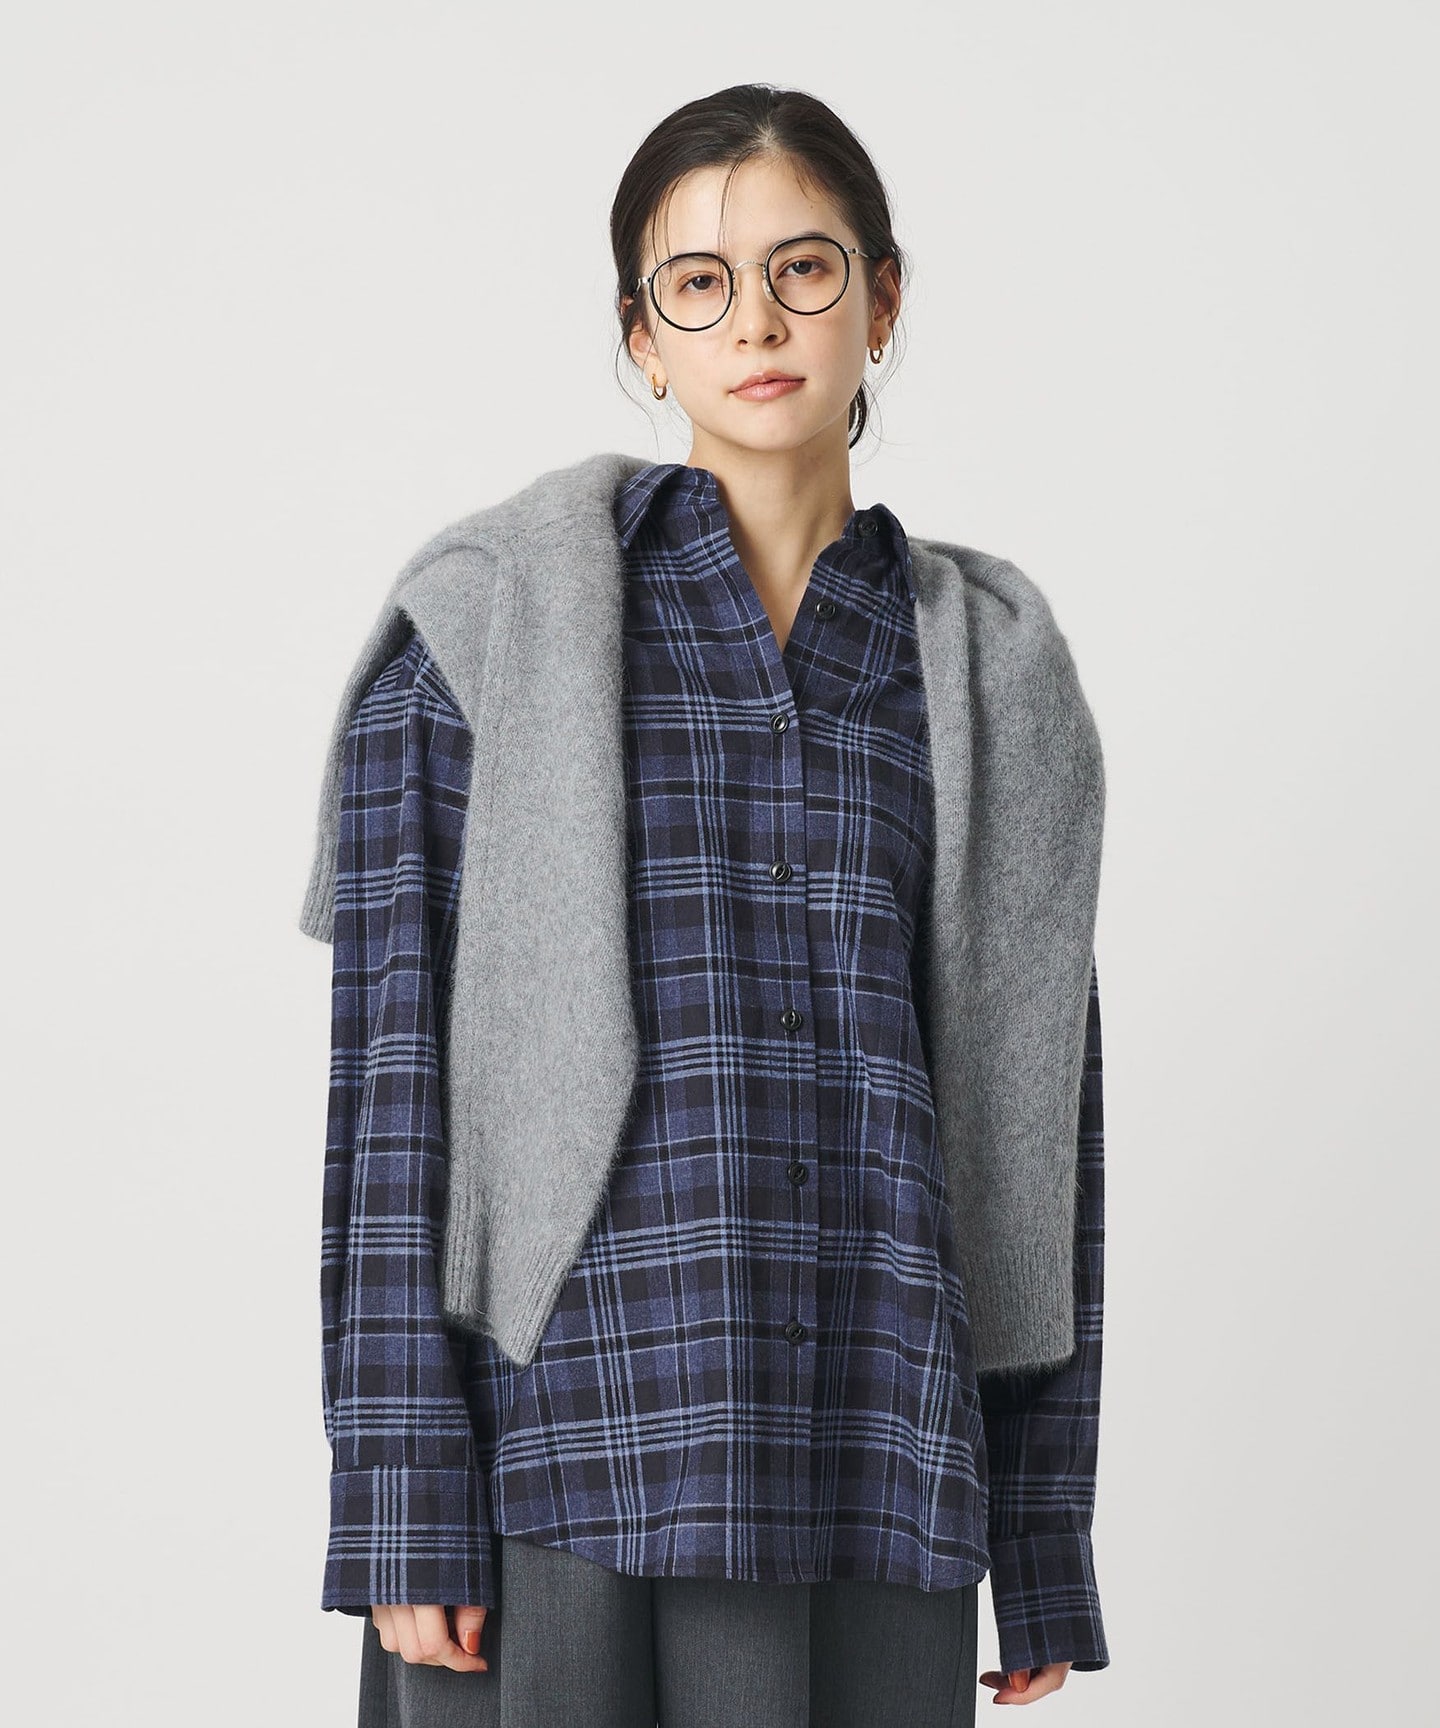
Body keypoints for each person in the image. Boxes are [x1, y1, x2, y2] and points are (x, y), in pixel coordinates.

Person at [299, 83, 1110, 1727]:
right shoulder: (481, 634)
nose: (757, 321)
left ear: (883, 299)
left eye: (805, 268)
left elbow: (1039, 1131)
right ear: (641, 335)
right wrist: (400, 1500)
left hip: (877, 1465)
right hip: (561, 1458)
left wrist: (1041, 1531)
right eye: (699, 283)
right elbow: (393, 1098)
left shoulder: (988, 677)